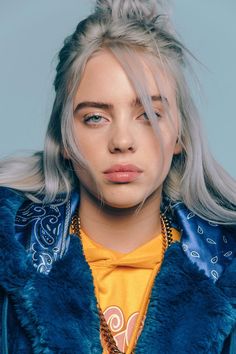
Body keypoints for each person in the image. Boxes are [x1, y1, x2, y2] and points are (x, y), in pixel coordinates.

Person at [0, 0, 235, 353]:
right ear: (64, 138)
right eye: (96, 117)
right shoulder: (15, 255)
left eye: (150, 115)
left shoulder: (225, 265)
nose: (122, 142)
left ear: (180, 135)